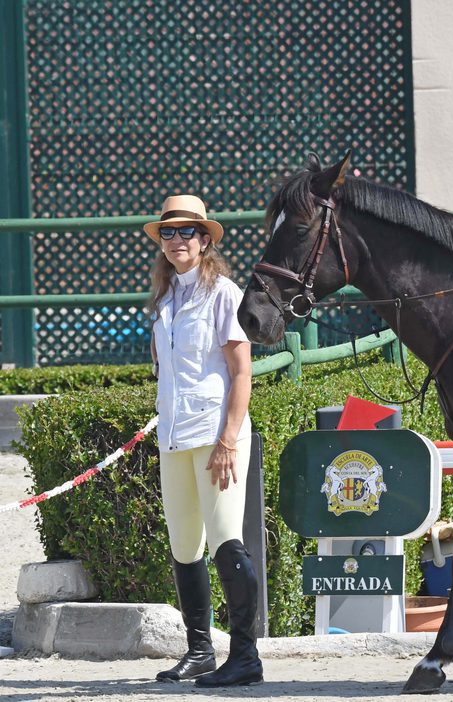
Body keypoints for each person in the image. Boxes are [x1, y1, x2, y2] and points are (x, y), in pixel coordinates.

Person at [144, 195, 263, 687]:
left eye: (187, 232)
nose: (176, 241)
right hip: (173, 436)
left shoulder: (225, 294)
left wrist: (228, 439)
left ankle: (246, 655)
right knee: (184, 546)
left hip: (216, 435)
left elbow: (241, 373)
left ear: (206, 239)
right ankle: (199, 651)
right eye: (168, 233)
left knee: (227, 544)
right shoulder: (165, 297)